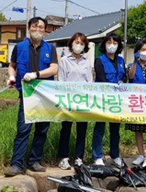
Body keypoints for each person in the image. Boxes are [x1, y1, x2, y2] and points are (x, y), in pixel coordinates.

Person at [4, 17, 59, 176]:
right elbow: (12, 66)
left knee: (42, 130)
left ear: (45, 30)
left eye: (42, 27)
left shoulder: (50, 48)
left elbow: (54, 68)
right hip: (27, 94)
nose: (39, 30)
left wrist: (36, 74)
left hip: (45, 95)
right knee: (23, 129)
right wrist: (12, 77)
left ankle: (34, 160)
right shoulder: (19, 47)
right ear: (29, 29)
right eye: (35, 27)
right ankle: (16, 164)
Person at [56, 32, 92, 170]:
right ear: (71, 43)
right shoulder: (64, 61)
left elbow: (90, 81)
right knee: (66, 129)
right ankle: (64, 158)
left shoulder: (87, 62)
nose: (79, 45)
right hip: (68, 100)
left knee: (82, 130)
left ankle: (79, 158)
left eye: (82, 44)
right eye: (77, 42)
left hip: (83, 101)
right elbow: (61, 80)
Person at [92, 32, 126, 168]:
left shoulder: (121, 60)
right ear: (104, 44)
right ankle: (97, 156)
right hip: (102, 99)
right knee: (100, 128)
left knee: (115, 129)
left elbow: (124, 77)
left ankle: (115, 156)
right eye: (109, 42)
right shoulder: (99, 60)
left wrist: (122, 81)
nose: (112, 45)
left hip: (117, 100)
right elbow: (101, 78)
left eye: (115, 43)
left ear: (118, 45)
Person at [126, 40, 146, 167]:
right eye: (142, 50)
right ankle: (140, 154)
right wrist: (134, 62)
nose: (144, 52)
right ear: (137, 52)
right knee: (138, 130)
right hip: (136, 102)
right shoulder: (131, 65)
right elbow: (131, 77)